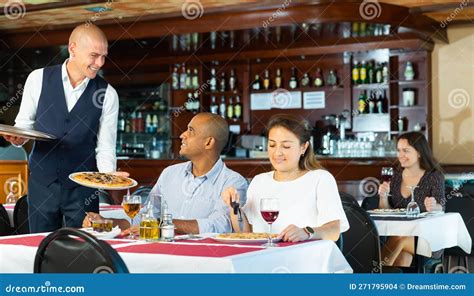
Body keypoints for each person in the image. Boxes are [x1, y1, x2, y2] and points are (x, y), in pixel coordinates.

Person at [2, 24, 123, 233]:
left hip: (84, 187)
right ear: (72, 48)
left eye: (104, 56)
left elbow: (105, 147)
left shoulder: (108, 94)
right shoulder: (37, 78)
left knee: (85, 246)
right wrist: (18, 137)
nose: (99, 63)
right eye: (94, 56)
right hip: (42, 182)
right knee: (40, 244)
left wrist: (110, 178)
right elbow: (24, 125)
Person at [83, 113, 248, 235]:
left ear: (209, 142)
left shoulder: (233, 182)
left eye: (191, 131)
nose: (182, 135)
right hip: (159, 254)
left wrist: (162, 225)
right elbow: (142, 220)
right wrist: (104, 223)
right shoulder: (170, 173)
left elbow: (220, 225)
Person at [221, 114, 349, 242]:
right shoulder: (259, 181)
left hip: (306, 257)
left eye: (286, 146)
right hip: (265, 257)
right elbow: (245, 232)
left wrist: (306, 232)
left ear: (303, 147)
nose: (277, 153)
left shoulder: (320, 179)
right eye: (272, 145)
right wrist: (234, 207)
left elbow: (334, 231)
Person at [378, 132, 446, 267]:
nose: (400, 155)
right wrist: (383, 196)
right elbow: (385, 211)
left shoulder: (434, 176)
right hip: (401, 234)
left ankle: (374, 275)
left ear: (419, 153)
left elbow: (441, 206)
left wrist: (433, 205)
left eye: (406, 151)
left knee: (399, 238)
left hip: (428, 240)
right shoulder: (396, 176)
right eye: (398, 151)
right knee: (403, 259)